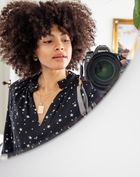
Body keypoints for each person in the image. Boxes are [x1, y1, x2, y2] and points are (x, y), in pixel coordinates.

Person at [0, 0, 102, 158]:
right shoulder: (17, 91)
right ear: (33, 50)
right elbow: (11, 148)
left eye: (65, 40)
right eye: (48, 41)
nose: (60, 46)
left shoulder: (86, 90)